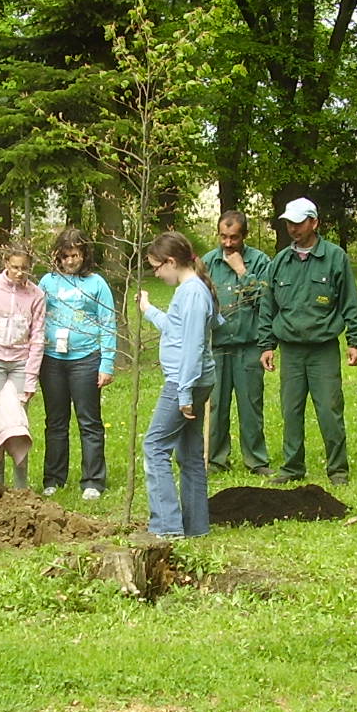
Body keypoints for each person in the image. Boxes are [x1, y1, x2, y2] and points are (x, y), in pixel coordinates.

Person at [257, 196, 357, 487]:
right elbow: (268, 306)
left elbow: (350, 301)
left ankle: (338, 470)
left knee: (330, 410)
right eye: (289, 224)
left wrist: (356, 340)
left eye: (298, 223)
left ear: (314, 222)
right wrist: (266, 345)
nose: (293, 229)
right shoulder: (280, 261)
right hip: (291, 349)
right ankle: (292, 467)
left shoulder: (335, 257)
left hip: (323, 349)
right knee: (291, 410)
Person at [137, 231, 218, 539]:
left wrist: (184, 393)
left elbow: (194, 346)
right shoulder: (189, 290)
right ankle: (196, 527)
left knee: (155, 446)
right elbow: (176, 328)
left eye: (156, 267)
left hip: (186, 383)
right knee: (189, 453)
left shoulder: (193, 292)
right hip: (191, 381)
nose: (156, 274)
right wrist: (149, 310)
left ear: (171, 262)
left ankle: (167, 527)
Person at [38, 226, 117, 500]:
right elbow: (35, 317)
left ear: (85, 255)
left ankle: (93, 480)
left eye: (75, 255)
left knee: (89, 422)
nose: (70, 261)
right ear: (57, 256)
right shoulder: (47, 282)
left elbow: (108, 323)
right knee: (55, 422)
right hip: (52, 360)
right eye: (65, 256)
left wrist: (107, 363)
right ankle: (53, 478)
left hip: (86, 359)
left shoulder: (97, 284)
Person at [204, 210, 272, 476]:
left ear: (244, 235)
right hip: (217, 347)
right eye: (223, 237)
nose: (228, 243)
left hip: (249, 345)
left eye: (234, 237)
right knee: (216, 406)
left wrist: (242, 271)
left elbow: (267, 301)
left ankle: (256, 460)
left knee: (251, 405)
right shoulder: (207, 263)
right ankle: (216, 460)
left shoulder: (260, 261)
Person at [0, 243, 45, 488]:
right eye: (14, 267)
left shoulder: (36, 295)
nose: (19, 273)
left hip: (20, 363)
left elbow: (37, 337)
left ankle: (21, 485)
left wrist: (31, 377)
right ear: (6, 264)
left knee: (17, 422)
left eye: (24, 268)